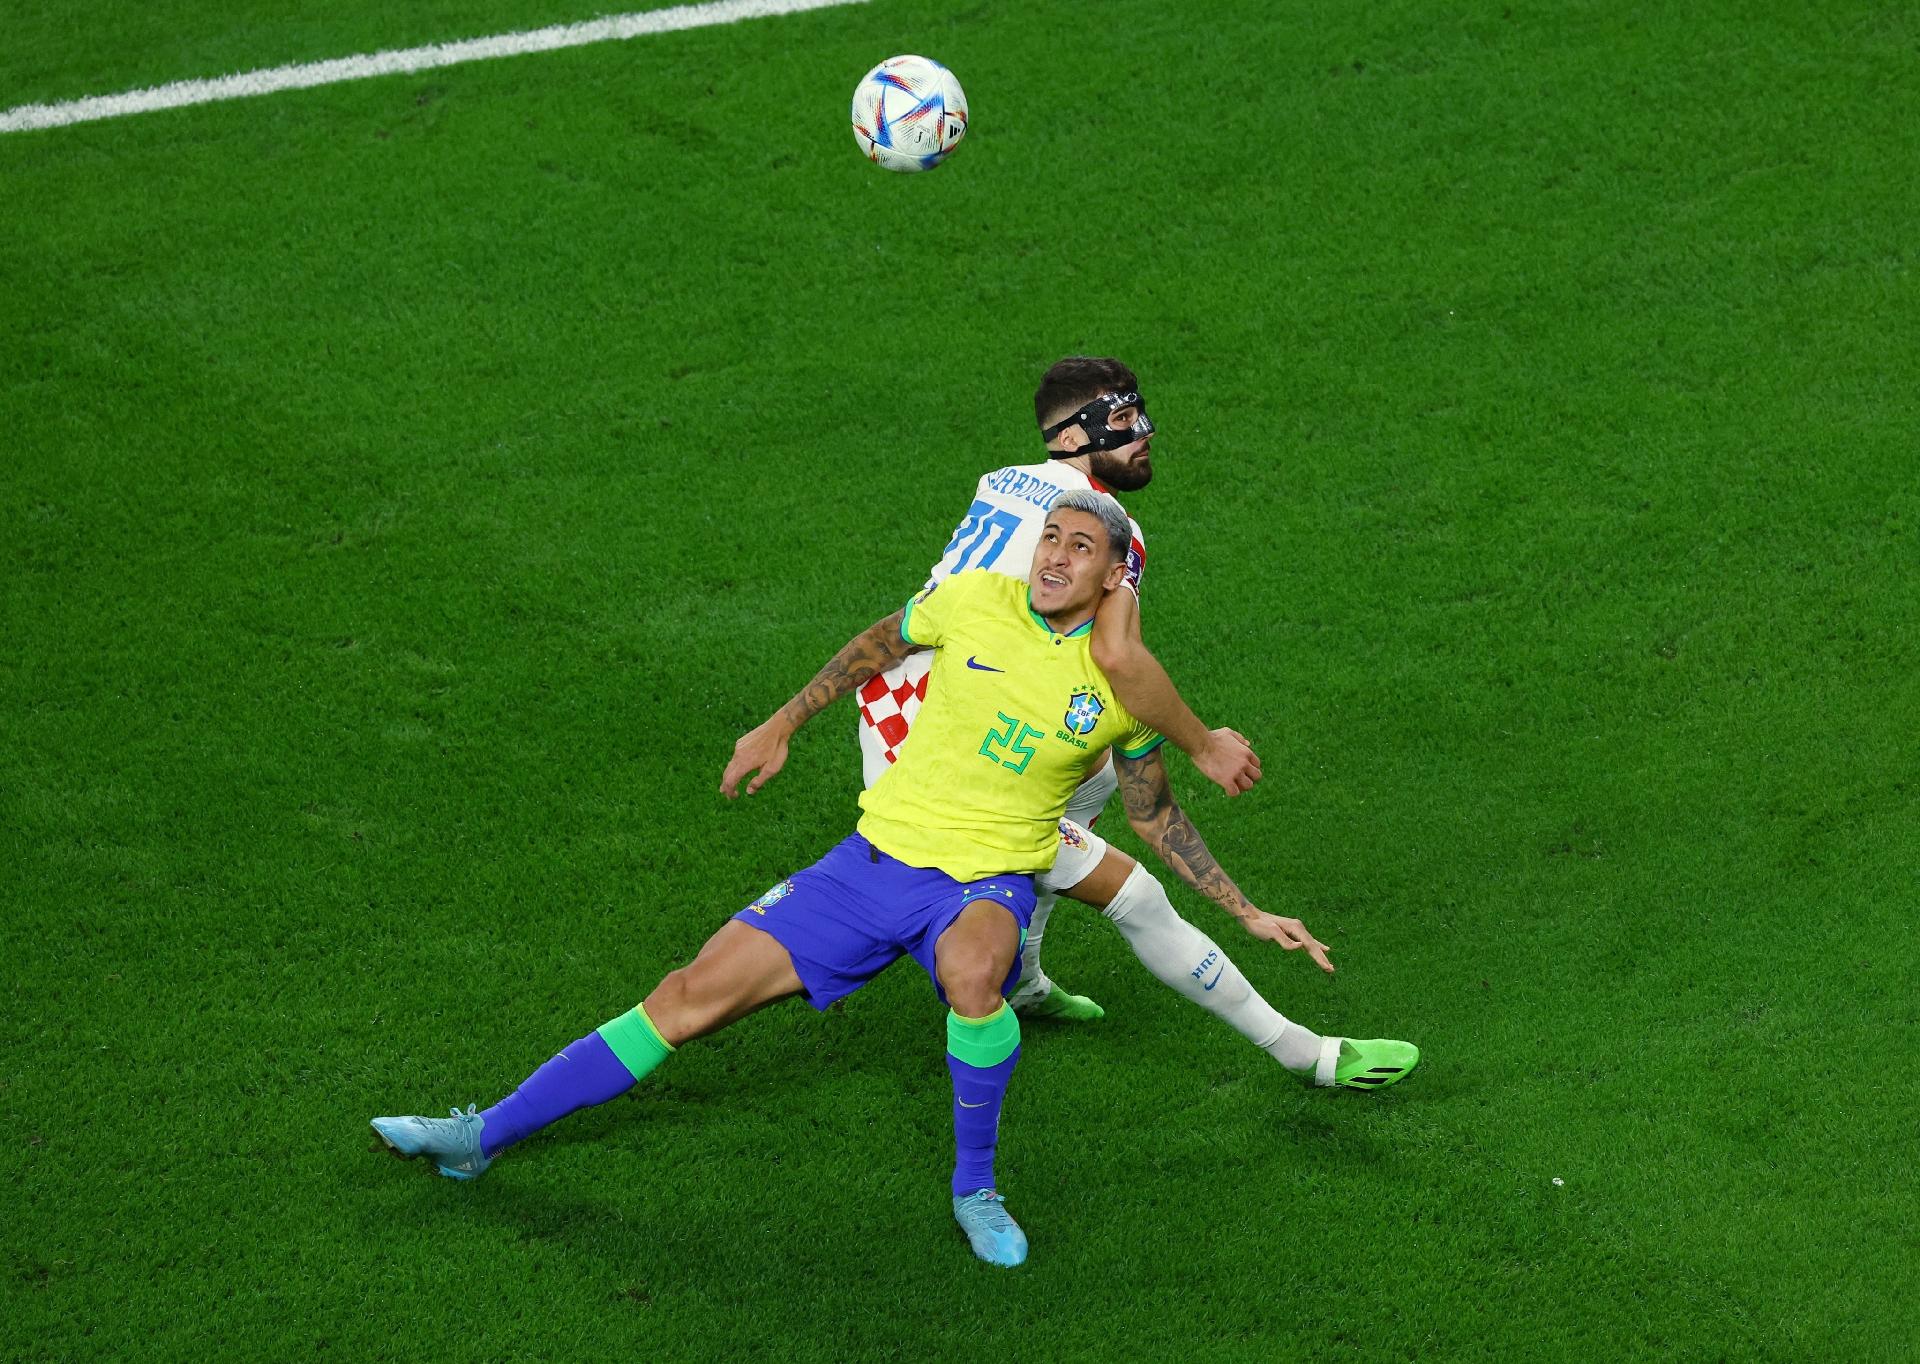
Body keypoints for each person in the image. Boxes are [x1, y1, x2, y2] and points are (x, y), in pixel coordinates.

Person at [375, 494, 1186, 1269]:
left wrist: (1244, 910)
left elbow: (1152, 814)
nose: (1055, 555)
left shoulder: (1127, 688)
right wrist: (781, 722)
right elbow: (878, 644)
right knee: (684, 996)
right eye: (1050, 537)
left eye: (1081, 548)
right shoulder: (974, 598)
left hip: (983, 885)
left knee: (976, 977)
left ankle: (975, 1188)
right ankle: (480, 1138)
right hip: (867, 868)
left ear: (1116, 576)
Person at [853, 357, 1419, 1094]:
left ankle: (1019, 978)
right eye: (1122, 421)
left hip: (909, 702)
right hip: (945, 751)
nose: (1144, 434)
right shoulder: (1102, 530)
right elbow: (1117, 655)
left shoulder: (1005, 479)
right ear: (1072, 434)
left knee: (1086, 779)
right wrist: (1205, 744)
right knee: (1138, 894)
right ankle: (1306, 1054)